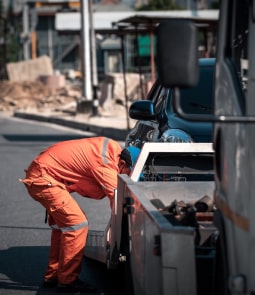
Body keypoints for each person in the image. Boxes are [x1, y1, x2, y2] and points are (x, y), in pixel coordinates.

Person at [20, 136, 140, 293]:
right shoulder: (106, 165)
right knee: (76, 224)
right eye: (129, 173)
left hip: (43, 173)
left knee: (61, 228)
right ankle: (68, 281)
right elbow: (118, 201)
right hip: (44, 178)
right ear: (123, 164)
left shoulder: (111, 151)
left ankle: (53, 276)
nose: (128, 177)